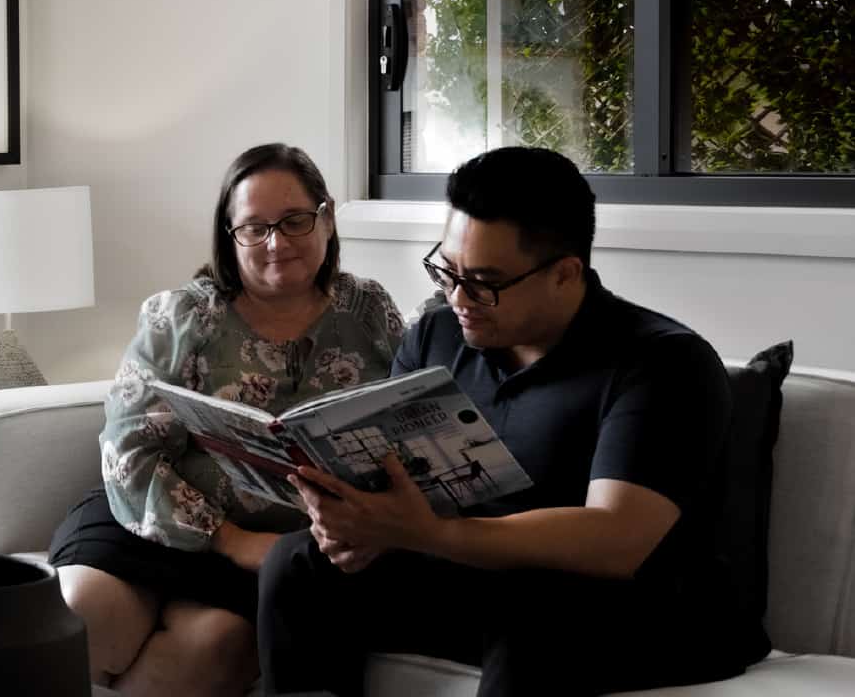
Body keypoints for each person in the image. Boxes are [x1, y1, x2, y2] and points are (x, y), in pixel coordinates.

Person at [256, 146, 772, 696]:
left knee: (539, 616)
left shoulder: (664, 363)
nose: (458, 297)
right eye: (447, 270)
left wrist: (423, 532)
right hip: (472, 575)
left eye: (484, 282)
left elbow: (618, 539)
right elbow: (392, 480)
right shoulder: (439, 334)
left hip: (635, 604)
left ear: (565, 273)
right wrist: (354, 519)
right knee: (296, 564)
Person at [50, 144, 406, 696]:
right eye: (254, 228)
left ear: (328, 219)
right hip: (152, 523)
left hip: (283, 560)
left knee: (216, 646)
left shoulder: (370, 313)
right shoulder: (185, 315)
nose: (276, 243)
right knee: (85, 617)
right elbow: (128, 453)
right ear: (229, 234)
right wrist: (231, 540)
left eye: (295, 221)